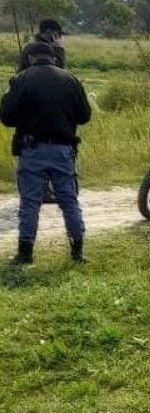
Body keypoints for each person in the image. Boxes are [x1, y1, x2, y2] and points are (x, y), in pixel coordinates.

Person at [1, 41, 92, 265]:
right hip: (63, 149)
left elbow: (6, 117)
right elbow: (84, 115)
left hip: (32, 150)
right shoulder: (70, 79)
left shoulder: (21, 79)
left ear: (31, 58)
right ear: (54, 58)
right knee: (69, 200)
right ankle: (77, 251)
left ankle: (25, 253)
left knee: (30, 202)